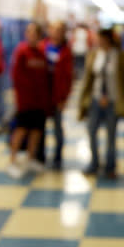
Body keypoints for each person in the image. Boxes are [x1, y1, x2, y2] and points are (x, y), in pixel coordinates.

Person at [78, 28, 124, 179]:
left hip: (113, 101)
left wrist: (122, 98)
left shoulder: (120, 57)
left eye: (101, 39)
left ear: (108, 40)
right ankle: (94, 163)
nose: (98, 42)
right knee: (91, 131)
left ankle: (110, 167)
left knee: (111, 135)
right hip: (95, 100)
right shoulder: (94, 55)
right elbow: (88, 79)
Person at [8, 23, 50, 178]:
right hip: (25, 101)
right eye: (29, 33)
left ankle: (30, 159)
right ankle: (12, 161)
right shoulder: (21, 52)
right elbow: (16, 77)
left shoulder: (41, 53)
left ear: (39, 36)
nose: (32, 36)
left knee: (36, 131)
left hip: (40, 102)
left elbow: (45, 78)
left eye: (35, 33)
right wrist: (20, 99)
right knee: (21, 129)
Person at [40, 20, 74, 168]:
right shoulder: (42, 47)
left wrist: (64, 98)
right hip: (42, 96)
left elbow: (68, 77)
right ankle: (38, 156)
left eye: (59, 30)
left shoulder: (65, 51)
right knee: (39, 128)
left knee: (57, 128)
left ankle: (57, 157)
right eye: (53, 29)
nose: (55, 33)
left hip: (57, 96)